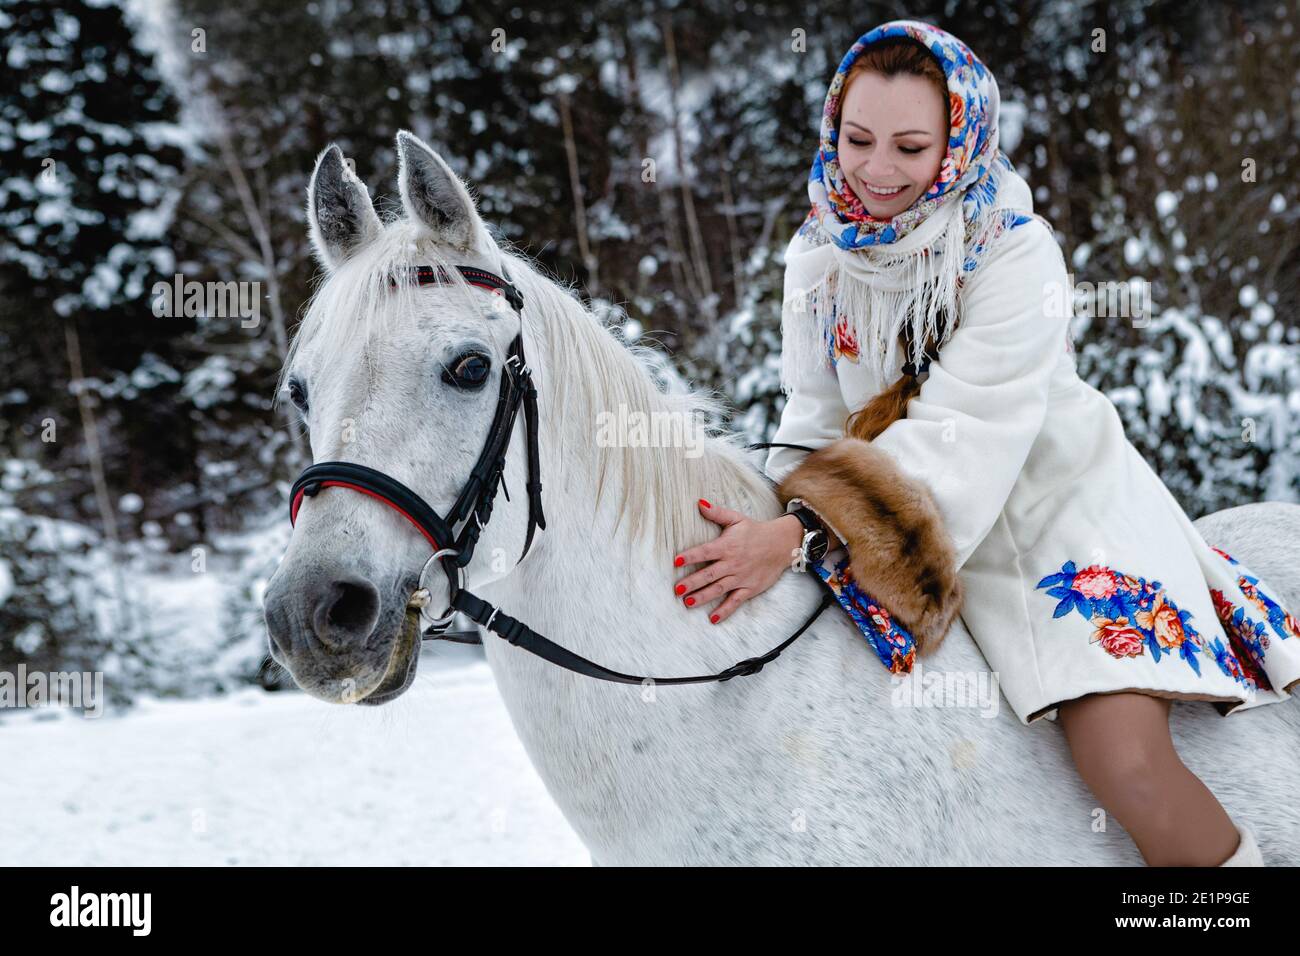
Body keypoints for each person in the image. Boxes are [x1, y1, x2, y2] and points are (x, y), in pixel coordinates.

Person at [669, 19, 1300, 866]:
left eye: (909, 145)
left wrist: (802, 533)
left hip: (1055, 512)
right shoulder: (819, 254)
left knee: (1125, 760)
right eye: (858, 139)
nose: (877, 170)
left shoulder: (1012, 250)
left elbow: (967, 434)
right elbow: (814, 420)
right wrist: (763, 518)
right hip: (896, 517)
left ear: (957, 141)